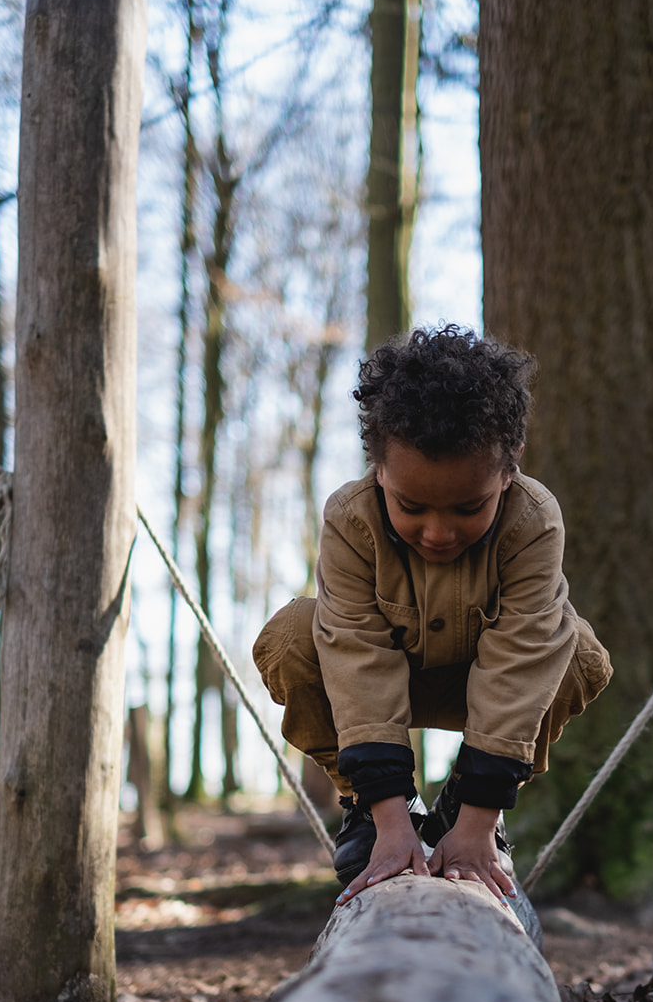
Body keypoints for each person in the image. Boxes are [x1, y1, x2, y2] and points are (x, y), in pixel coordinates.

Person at [253, 324, 612, 905]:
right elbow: (355, 654)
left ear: (509, 466)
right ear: (378, 468)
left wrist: (477, 818)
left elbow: (523, 659)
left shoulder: (534, 520)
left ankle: (465, 810)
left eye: (469, 507)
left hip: (487, 687)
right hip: (377, 691)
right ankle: (372, 813)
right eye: (411, 506)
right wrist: (390, 817)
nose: (438, 532)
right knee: (292, 636)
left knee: (577, 649)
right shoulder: (350, 519)